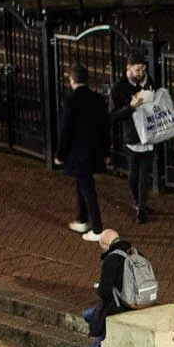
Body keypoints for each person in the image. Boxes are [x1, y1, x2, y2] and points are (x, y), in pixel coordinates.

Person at [81, 232, 152, 347]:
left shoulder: (112, 259)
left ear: (105, 245)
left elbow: (105, 291)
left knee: (103, 327)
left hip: (122, 306)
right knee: (89, 315)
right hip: (142, 301)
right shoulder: (136, 253)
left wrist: (100, 289)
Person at [58, 65, 110, 239]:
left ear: (72, 80)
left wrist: (60, 154)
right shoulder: (98, 99)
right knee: (82, 184)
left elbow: (66, 130)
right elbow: (105, 128)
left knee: (87, 188)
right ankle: (81, 220)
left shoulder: (71, 100)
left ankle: (97, 229)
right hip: (94, 150)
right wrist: (106, 151)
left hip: (78, 153)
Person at [110, 57, 160, 224]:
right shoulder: (119, 89)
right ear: (128, 68)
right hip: (132, 136)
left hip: (149, 135)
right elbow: (114, 115)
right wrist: (130, 107)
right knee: (134, 173)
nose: (141, 73)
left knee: (144, 173)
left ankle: (141, 206)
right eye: (138, 70)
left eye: (143, 70)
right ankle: (137, 200)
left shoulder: (149, 81)